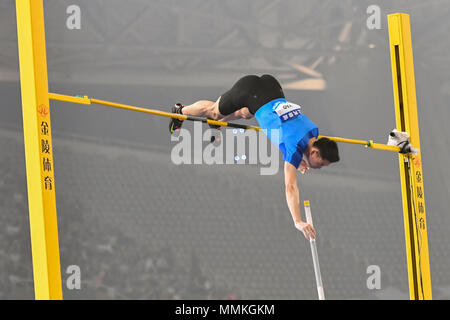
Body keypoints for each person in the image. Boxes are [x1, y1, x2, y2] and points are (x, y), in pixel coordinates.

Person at [169, 74, 340, 240]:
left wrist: (300, 158)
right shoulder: (294, 147)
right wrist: (297, 221)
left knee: (246, 113)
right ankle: (180, 110)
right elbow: (290, 187)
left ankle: (218, 121)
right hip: (250, 91)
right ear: (315, 152)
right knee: (213, 111)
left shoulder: (313, 131)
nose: (320, 167)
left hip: (272, 88)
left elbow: (290, 132)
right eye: (322, 163)